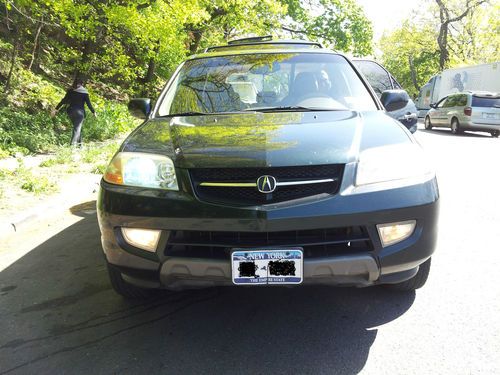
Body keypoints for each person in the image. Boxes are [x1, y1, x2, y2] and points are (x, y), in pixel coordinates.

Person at [55, 80, 96, 146]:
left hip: (70, 111)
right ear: (82, 84)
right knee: (77, 128)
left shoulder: (70, 91)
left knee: (77, 127)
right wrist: (93, 112)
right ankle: (72, 146)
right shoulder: (84, 92)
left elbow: (63, 100)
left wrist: (56, 109)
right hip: (80, 113)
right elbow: (89, 104)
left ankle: (80, 145)